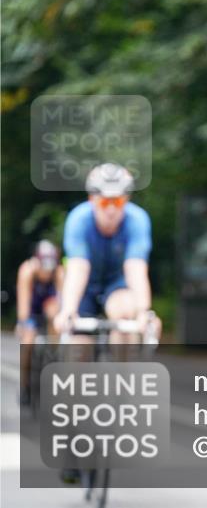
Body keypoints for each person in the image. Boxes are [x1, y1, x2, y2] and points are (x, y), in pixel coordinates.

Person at [53, 163, 156, 342]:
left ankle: (123, 369)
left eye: (117, 201)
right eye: (104, 201)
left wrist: (143, 312)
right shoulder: (78, 219)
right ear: (91, 199)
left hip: (117, 284)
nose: (111, 209)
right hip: (85, 286)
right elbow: (78, 268)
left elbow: (136, 269)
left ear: (127, 199)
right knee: (78, 346)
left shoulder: (137, 220)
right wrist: (68, 311)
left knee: (125, 322)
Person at [16, 240, 64, 405]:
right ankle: (24, 386)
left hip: (48, 307)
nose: (47, 272)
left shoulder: (58, 272)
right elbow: (24, 307)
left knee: (55, 317)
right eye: (44, 266)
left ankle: (53, 358)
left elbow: (62, 301)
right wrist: (24, 324)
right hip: (31, 309)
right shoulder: (27, 271)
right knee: (27, 342)